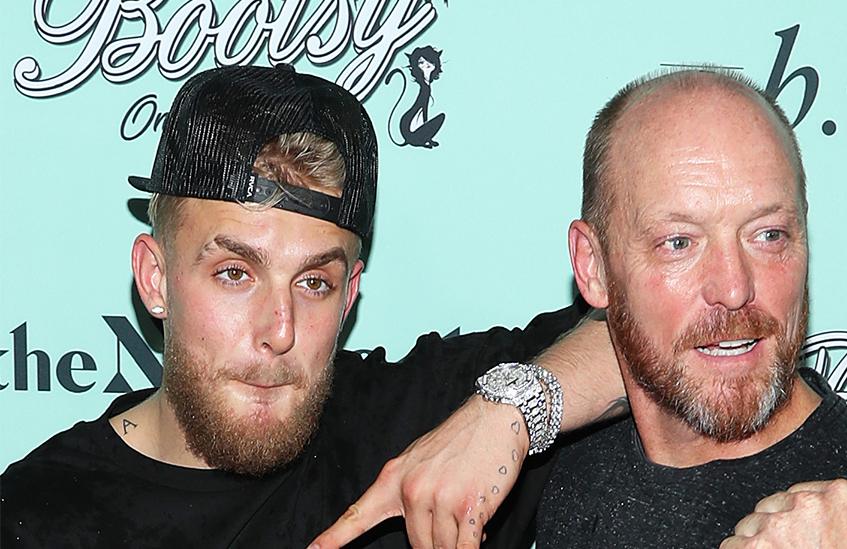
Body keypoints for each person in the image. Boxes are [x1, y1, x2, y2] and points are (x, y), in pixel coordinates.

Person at [0, 63, 625, 549]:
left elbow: (655, 333)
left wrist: (507, 412)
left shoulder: (410, 426)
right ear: (155, 278)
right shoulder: (42, 514)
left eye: (314, 283)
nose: (280, 331)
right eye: (235, 272)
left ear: (351, 294)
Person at [530, 69, 847, 547]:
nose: (735, 287)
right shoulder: (567, 460)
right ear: (593, 266)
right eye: (679, 242)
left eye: (768, 235)